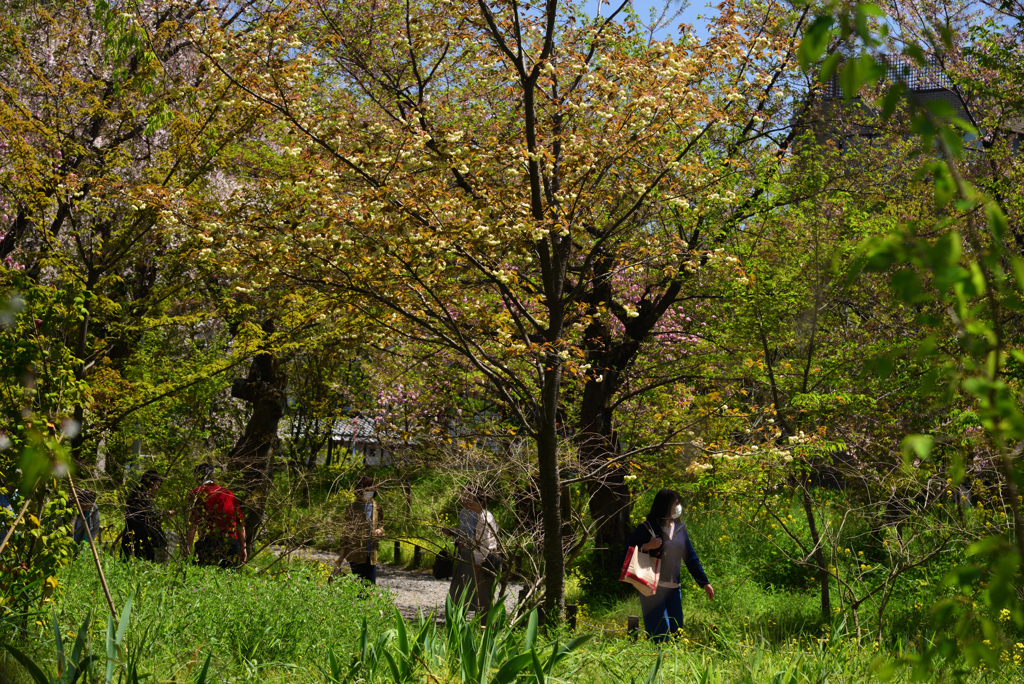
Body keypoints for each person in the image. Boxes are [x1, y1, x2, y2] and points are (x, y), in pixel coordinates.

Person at [625, 488, 714, 643]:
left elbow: (691, 558)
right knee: (660, 634)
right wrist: (647, 546)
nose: (678, 507)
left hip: (674, 588)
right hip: (652, 588)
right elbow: (628, 551)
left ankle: (673, 666)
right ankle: (659, 663)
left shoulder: (680, 529)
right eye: (675, 504)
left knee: (676, 633)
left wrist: (704, 583)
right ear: (665, 505)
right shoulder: (647, 527)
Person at [445, 485, 499, 617]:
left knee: (482, 595)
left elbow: (485, 543)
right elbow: (468, 534)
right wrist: (454, 534)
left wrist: (478, 564)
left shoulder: (485, 517)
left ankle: (485, 628)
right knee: (458, 591)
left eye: (468, 498)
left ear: (480, 501)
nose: (464, 500)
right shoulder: (466, 513)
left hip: (481, 559)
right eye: (463, 496)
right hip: (468, 556)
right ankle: (460, 622)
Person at [186, 463, 247, 568]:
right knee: (229, 579)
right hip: (230, 542)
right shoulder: (228, 493)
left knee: (203, 578)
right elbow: (240, 523)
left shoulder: (196, 493)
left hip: (208, 542)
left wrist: (188, 549)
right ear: (213, 476)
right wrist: (243, 548)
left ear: (197, 478)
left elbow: (193, 524)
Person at [335, 475, 384, 585]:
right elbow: (346, 531)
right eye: (366, 491)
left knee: (371, 586)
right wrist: (342, 555)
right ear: (359, 491)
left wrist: (380, 531)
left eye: (371, 491)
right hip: (355, 554)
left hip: (371, 553)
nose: (369, 494)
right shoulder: (352, 508)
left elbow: (381, 525)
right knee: (358, 586)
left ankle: (368, 603)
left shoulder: (377, 507)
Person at [121, 471, 167, 561]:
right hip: (137, 542)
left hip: (136, 541)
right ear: (151, 483)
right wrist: (163, 515)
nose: (157, 488)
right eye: (157, 485)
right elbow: (145, 520)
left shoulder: (141, 495)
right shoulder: (140, 497)